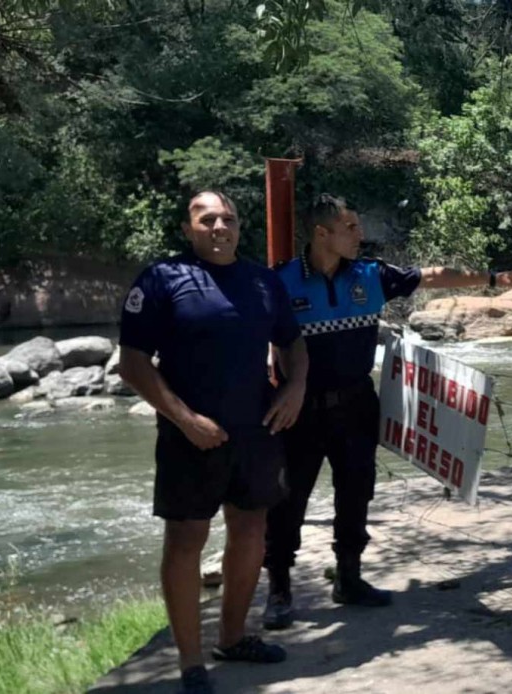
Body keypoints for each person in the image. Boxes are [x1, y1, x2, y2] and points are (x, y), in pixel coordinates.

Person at [262, 193, 512, 629]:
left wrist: (494, 277)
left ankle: (349, 579)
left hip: (356, 407)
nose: (359, 234)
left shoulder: (370, 275)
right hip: (299, 413)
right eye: (350, 227)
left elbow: (431, 277)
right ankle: (279, 591)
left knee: (356, 494)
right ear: (321, 233)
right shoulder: (279, 281)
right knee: (288, 501)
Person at [119, 191, 308, 694]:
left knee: (251, 531)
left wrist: (295, 387)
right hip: (188, 436)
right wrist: (185, 420)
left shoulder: (263, 281)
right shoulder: (162, 279)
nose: (219, 226)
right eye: (207, 219)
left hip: (257, 429)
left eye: (228, 218)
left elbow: (291, 342)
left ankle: (232, 637)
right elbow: (133, 364)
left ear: (240, 225)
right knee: (185, 542)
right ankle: (190, 663)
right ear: (189, 229)